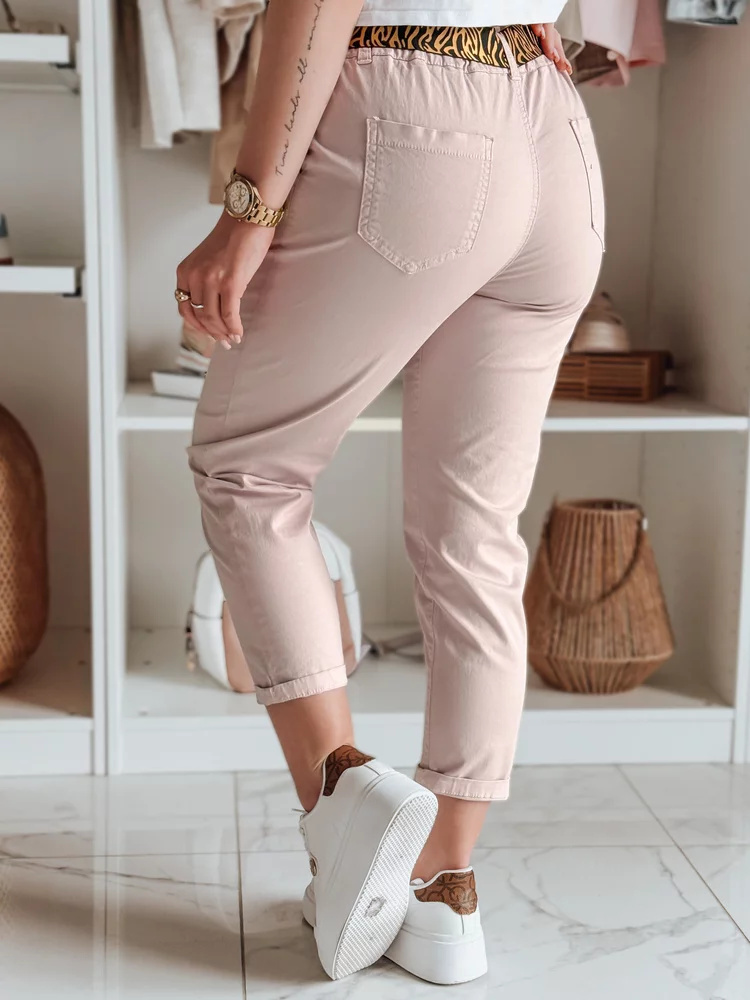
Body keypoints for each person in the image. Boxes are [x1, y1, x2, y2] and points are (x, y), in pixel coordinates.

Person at [176, 0, 603, 985]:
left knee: (249, 467)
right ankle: (445, 888)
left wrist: (247, 209)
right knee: (474, 531)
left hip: (417, 115)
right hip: (555, 128)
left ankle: (343, 807)